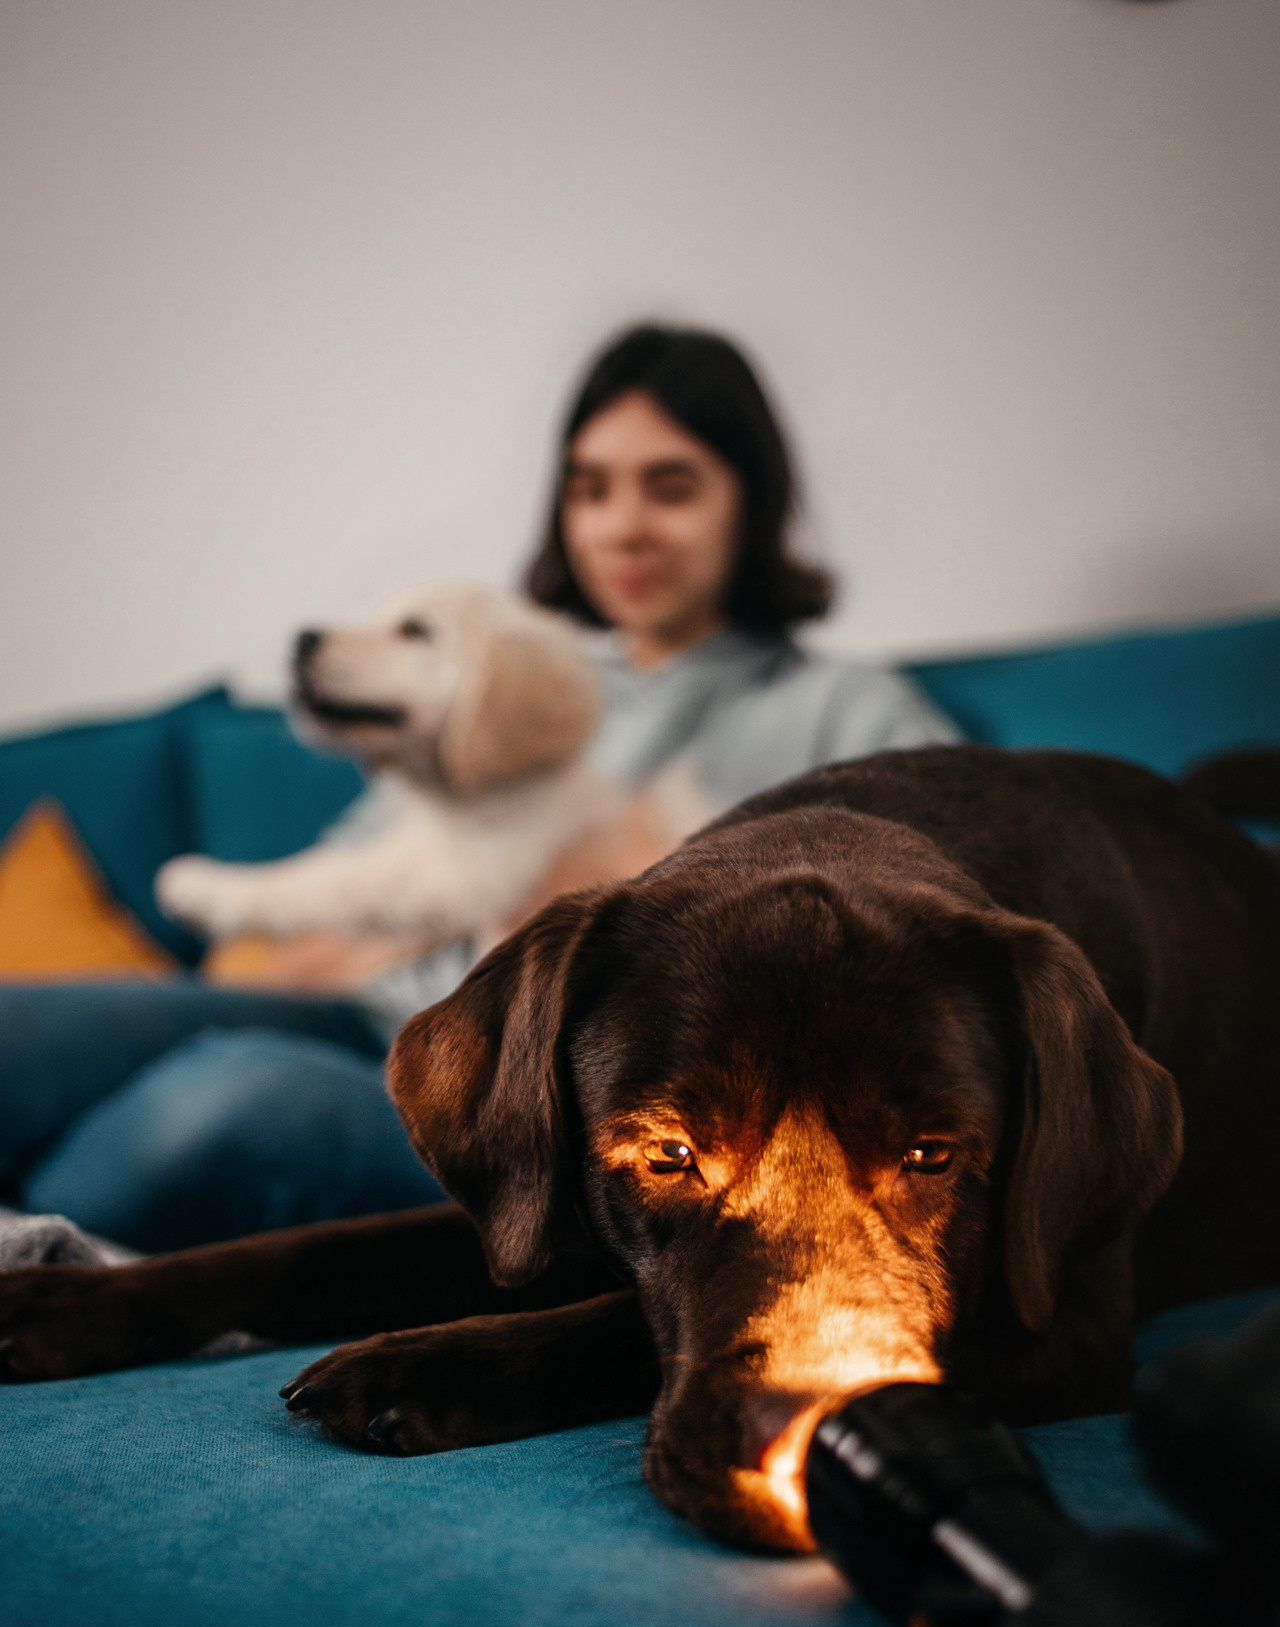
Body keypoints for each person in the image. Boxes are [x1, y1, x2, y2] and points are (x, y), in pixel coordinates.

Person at [0, 324, 958, 1253]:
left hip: (522, 1090)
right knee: (27, 1031)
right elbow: (331, 907)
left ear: (750, 503)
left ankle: (40, 1254)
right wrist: (463, 898)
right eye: (590, 489)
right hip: (369, 1009)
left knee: (217, 1100)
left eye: (671, 488)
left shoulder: (847, 709)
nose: (623, 525)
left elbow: (941, 933)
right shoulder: (514, 668)